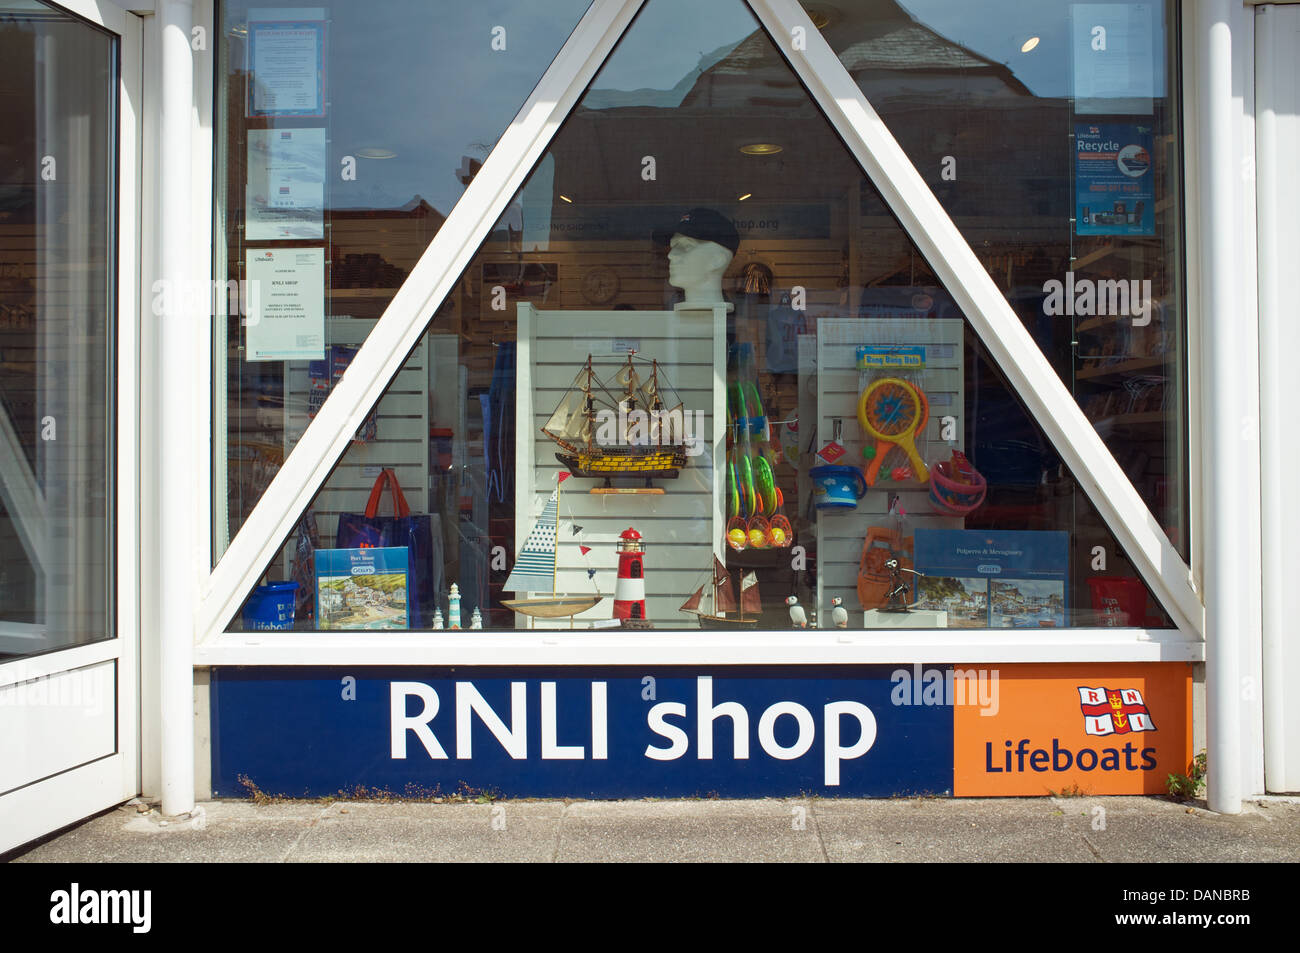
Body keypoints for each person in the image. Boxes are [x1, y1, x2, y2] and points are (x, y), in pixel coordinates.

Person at [652, 207, 739, 310]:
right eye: (673, 246)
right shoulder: (670, 313)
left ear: (718, 260)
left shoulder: (730, 323)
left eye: (686, 246)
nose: (671, 254)